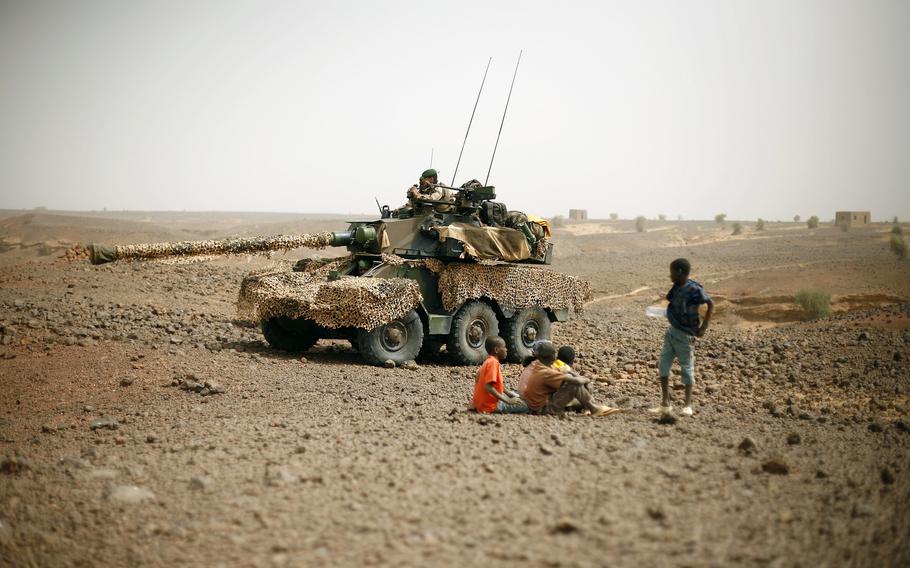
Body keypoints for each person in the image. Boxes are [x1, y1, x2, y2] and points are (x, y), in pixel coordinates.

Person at [649, 258, 714, 417]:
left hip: (686, 336)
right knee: (663, 365)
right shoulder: (677, 286)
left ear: (679, 272)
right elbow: (672, 302)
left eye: (671, 272)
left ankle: (687, 405)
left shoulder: (694, 289)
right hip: (672, 333)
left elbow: (710, 304)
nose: (670, 276)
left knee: (686, 368)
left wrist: (704, 326)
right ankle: (665, 404)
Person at [520, 342, 619, 416]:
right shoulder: (545, 372)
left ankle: (591, 406)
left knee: (573, 389)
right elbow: (576, 381)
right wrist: (587, 380)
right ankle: (594, 408)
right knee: (574, 385)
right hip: (542, 409)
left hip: (535, 404)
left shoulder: (538, 365)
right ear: (553, 357)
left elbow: (561, 378)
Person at [471, 336, 528, 414]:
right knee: (527, 406)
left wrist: (508, 394)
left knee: (516, 394)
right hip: (490, 405)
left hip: (481, 403)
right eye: (504, 347)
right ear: (496, 350)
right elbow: (488, 386)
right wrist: (508, 401)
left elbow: (494, 384)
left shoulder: (488, 361)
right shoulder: (493, 363)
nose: (506, 350)